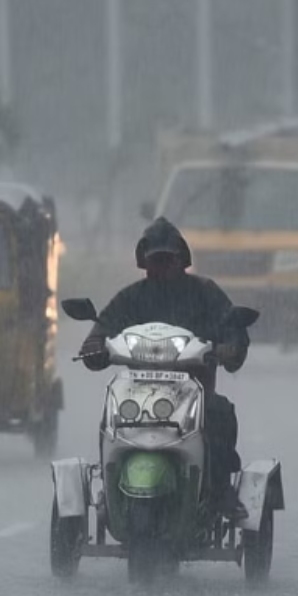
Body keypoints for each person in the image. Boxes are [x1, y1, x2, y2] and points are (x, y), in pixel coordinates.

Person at [79, 217, 249, 520]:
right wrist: (93, 346)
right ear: (143, 263)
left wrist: (229, 347)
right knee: (109, 417)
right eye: (155, 261)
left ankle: (221, 491)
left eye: (167, 260)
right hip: (137, 391)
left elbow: (233, 330)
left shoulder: (205, 292)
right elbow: (102, 328)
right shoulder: (131, 297)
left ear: (182, 260)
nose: (161, 268)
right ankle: (110, 487)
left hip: (192, 392)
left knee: (220, 414)